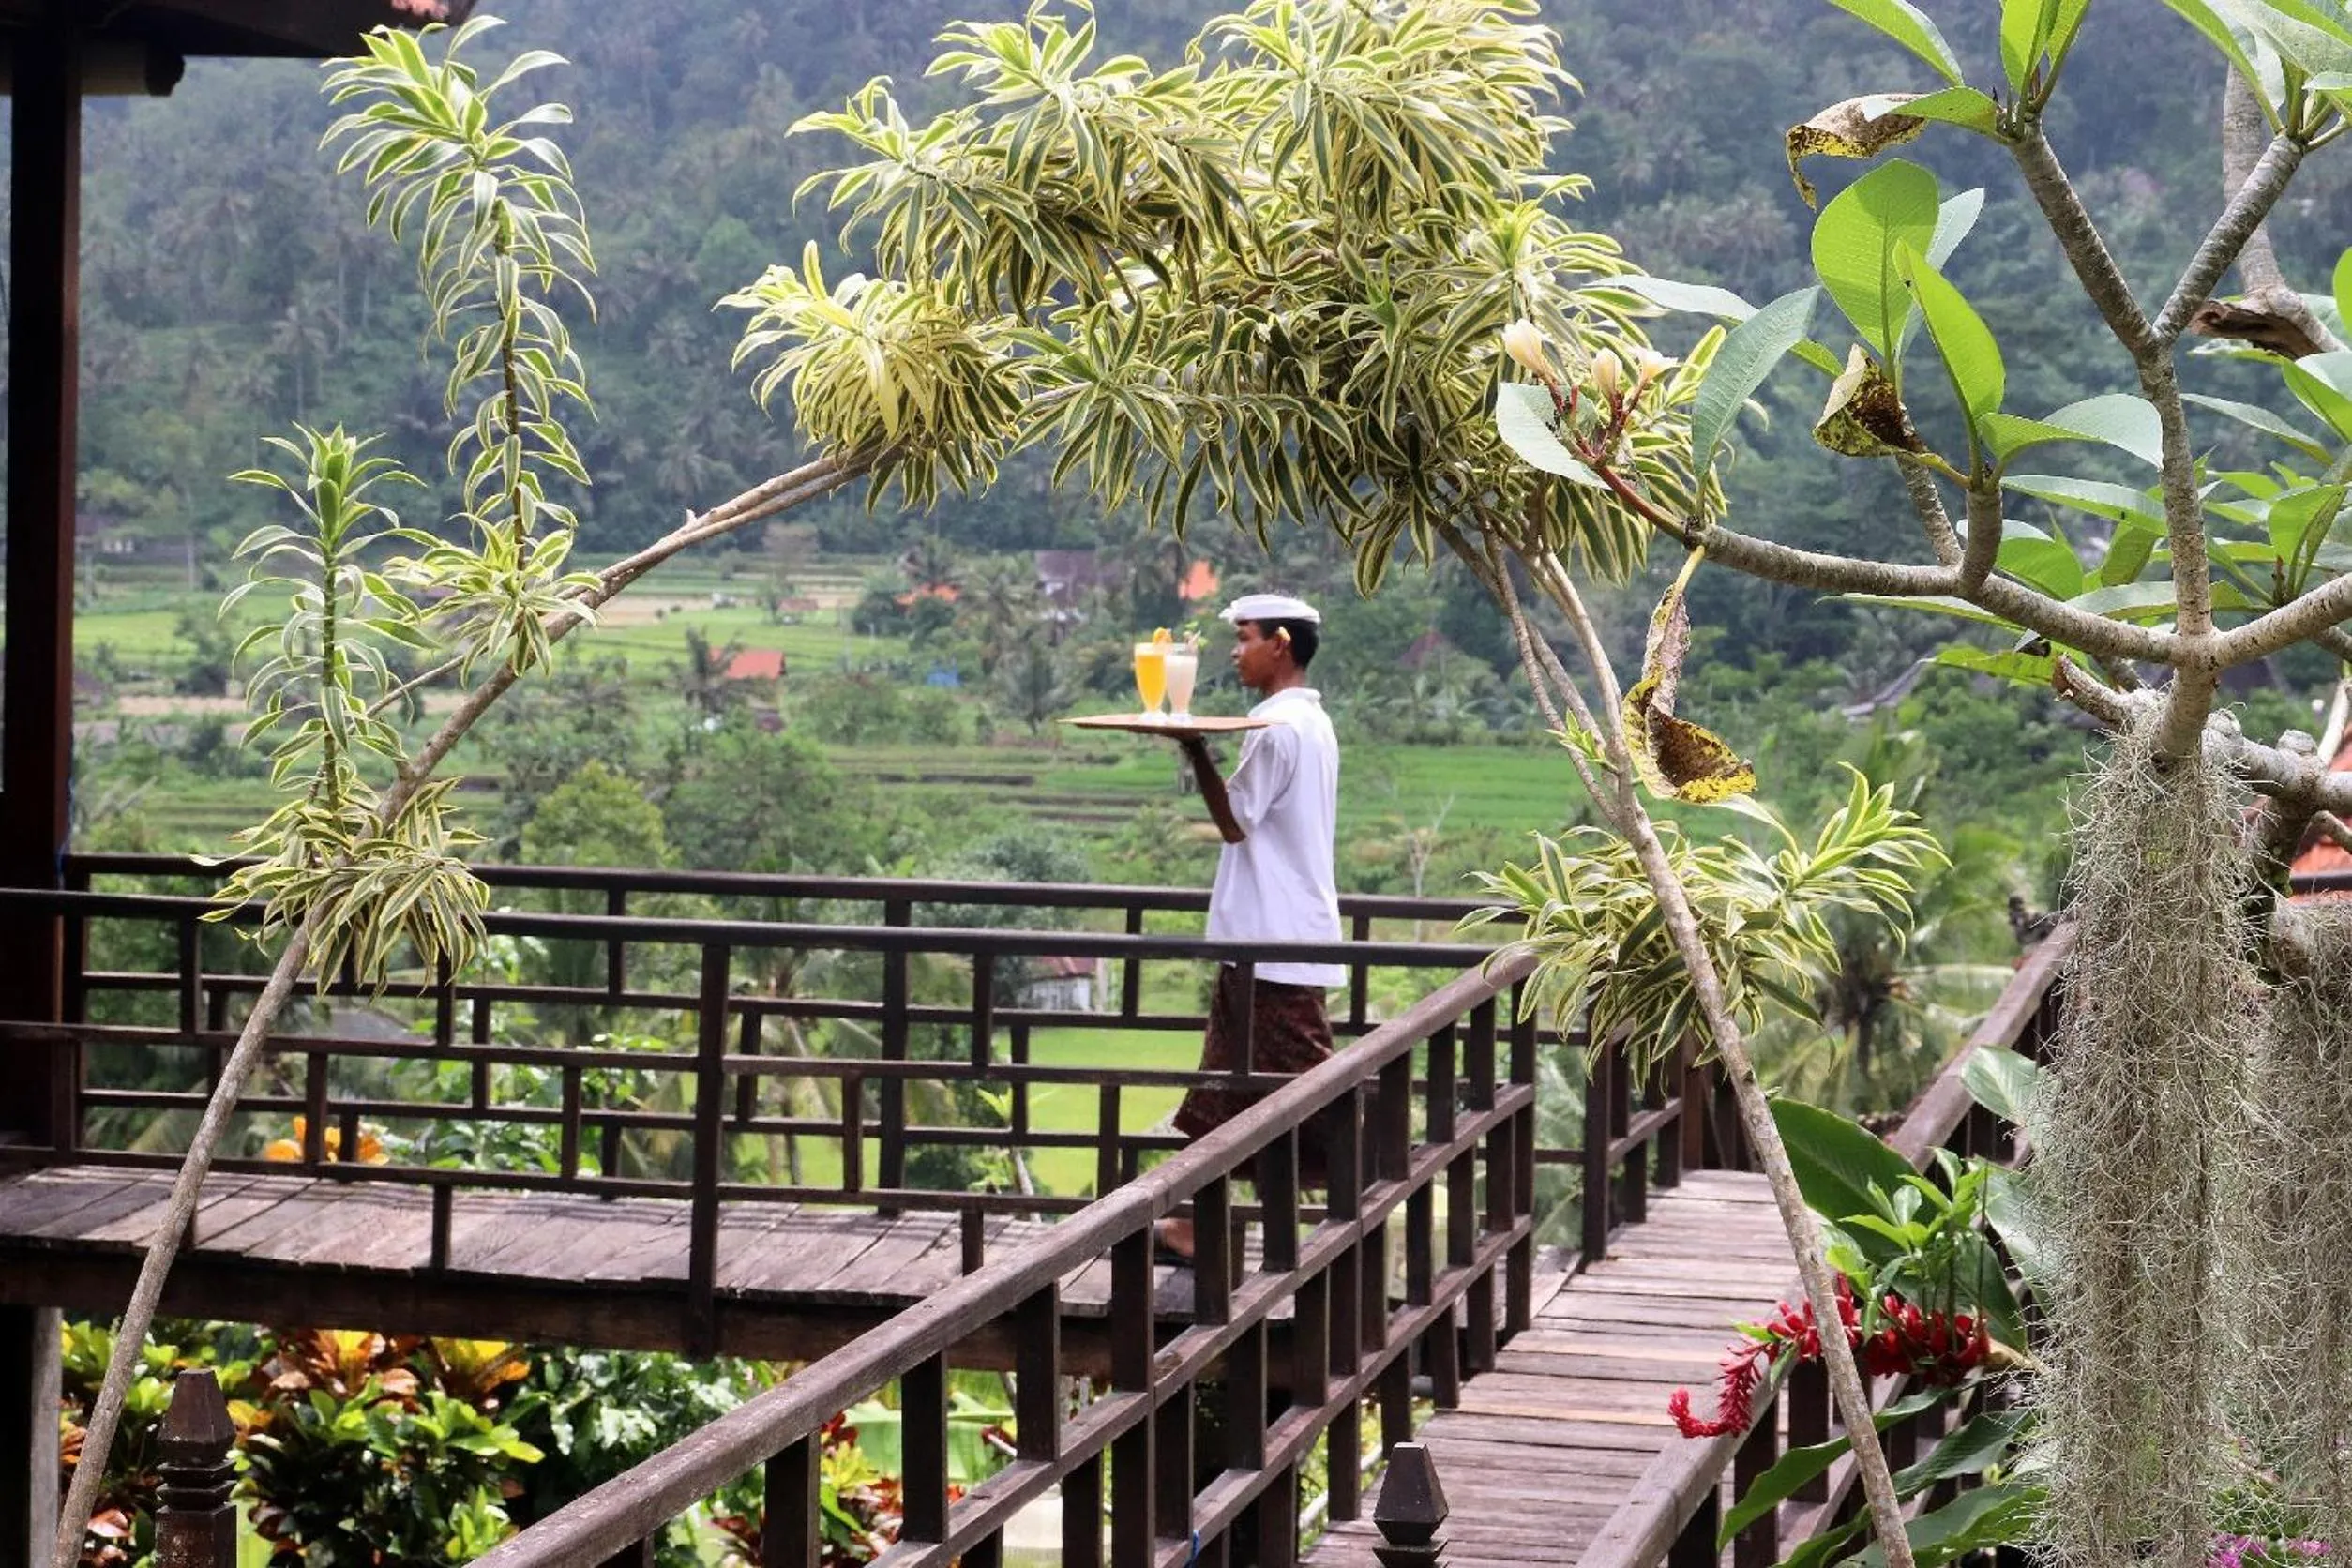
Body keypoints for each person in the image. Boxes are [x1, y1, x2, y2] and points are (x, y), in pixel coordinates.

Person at [1157, 593, 1343, 1262]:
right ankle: (1185, 1221)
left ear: (1281, 643)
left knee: (1313, 1087)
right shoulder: (1307, 724)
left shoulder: (1279, 730)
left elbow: (1234, 821)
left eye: (1244, 638)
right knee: (1221, 1083)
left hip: (1274, 942)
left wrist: (1197, 752)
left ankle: (1377, 1179)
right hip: (1269, 939)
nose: (1235, 653)